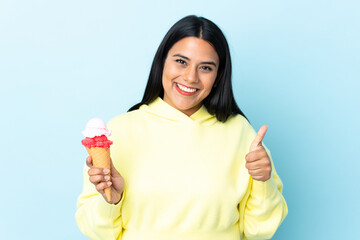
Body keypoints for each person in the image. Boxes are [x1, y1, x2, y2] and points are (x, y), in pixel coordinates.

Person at [75, 15, 288, 240]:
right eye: (181, 61)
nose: (190, 77)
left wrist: (263, 183)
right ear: (162, 63)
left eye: (205, 67)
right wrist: (111, 200)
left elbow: (259, 231)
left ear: (218, 76)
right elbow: (97, 233)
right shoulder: (118, 132)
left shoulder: (241, 133)